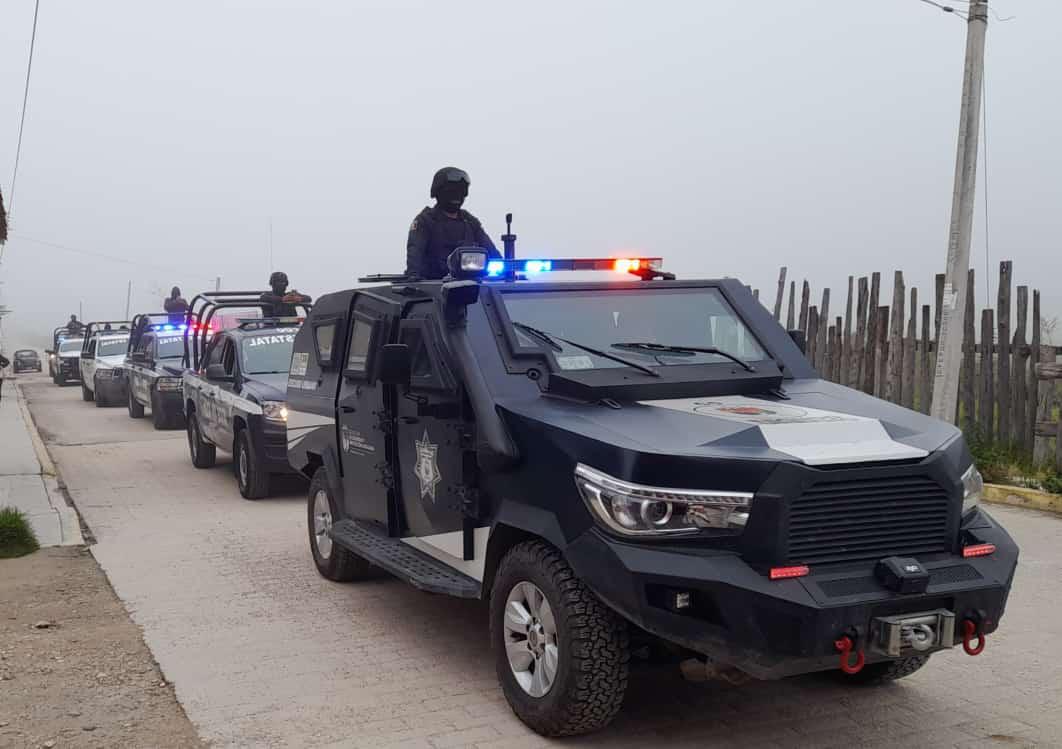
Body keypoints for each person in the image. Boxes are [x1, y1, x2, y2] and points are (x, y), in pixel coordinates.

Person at [405, 167, 500, 280]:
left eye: (461, 192)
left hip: (472, 286)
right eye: (451, 192)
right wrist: (413, 274)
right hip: (434, 288)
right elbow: (415, 250)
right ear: (438, 193)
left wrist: (506, 270)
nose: (456, 196)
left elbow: (490, 250)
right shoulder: (425, 221)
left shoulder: (469, 221)